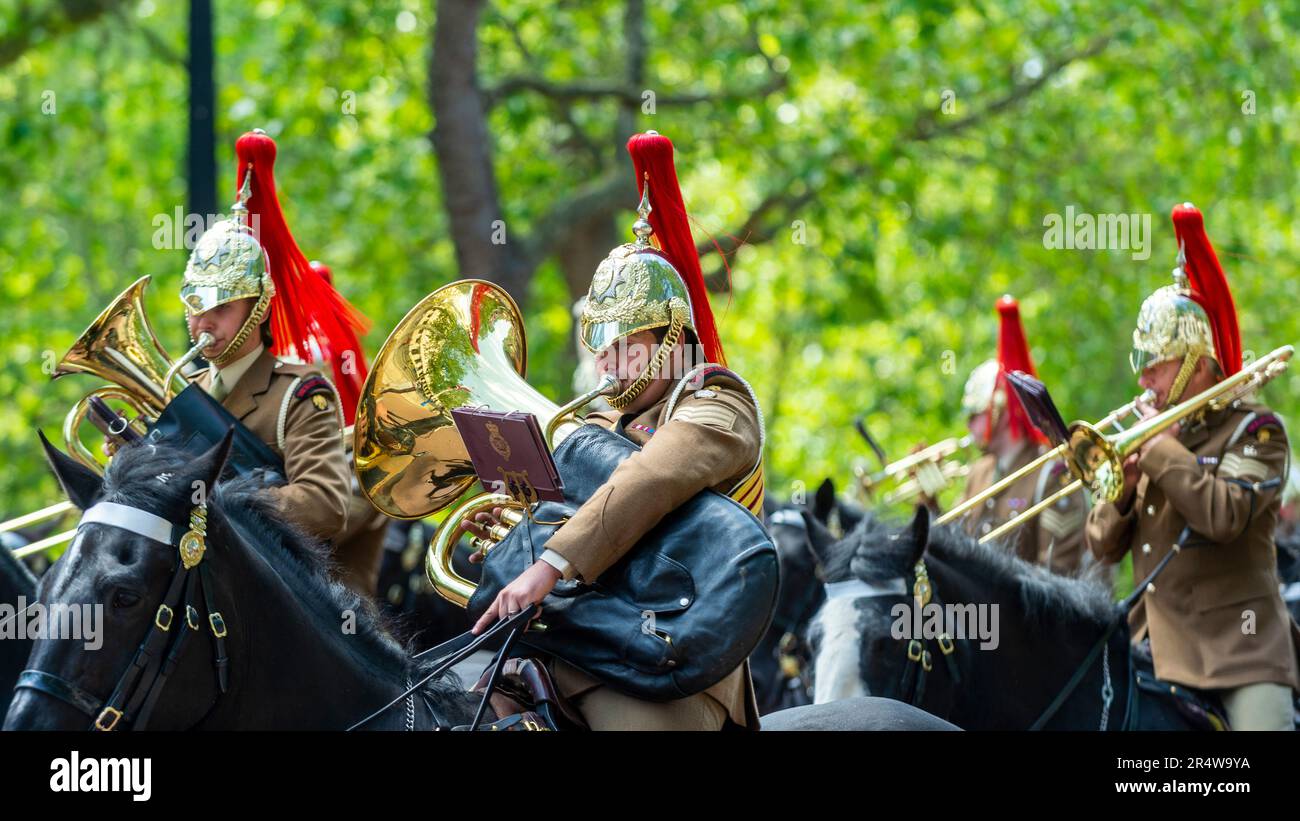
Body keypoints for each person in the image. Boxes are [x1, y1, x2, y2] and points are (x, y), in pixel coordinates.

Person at [465, 131, 765, 730]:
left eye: (626, 344)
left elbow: (649, 477)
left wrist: (546, 566)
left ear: (670, 342)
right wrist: (507, 526)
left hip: (669, 659)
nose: (607, 361)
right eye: (600, 343)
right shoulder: (594, 421)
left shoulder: (716, 402)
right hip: (573, 638)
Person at [1085, 203, 1299, 730]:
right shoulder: (1161, 435)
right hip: (1149, 646)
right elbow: (1101, 545)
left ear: (1196, 367)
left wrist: (1158, 450)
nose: (1143, 383)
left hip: (1238, 655)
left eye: (1154, 366)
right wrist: (1123, 490)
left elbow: (1224, 515)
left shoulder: (1258, 430)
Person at [178, 129, 369, 548]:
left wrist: (213, 499)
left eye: (222, 307)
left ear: (259, 309)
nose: (204, 321)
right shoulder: (189, 392)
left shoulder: (300, 394)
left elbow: (325, 506)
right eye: (197, 306)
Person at [956, 296, 1088, 574]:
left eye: (974, 415)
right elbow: (954, 552)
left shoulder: (1052, 474)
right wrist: (929, 507)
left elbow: (1058, 575)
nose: (968, 426)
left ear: (1000, 411)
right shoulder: (979, 473)